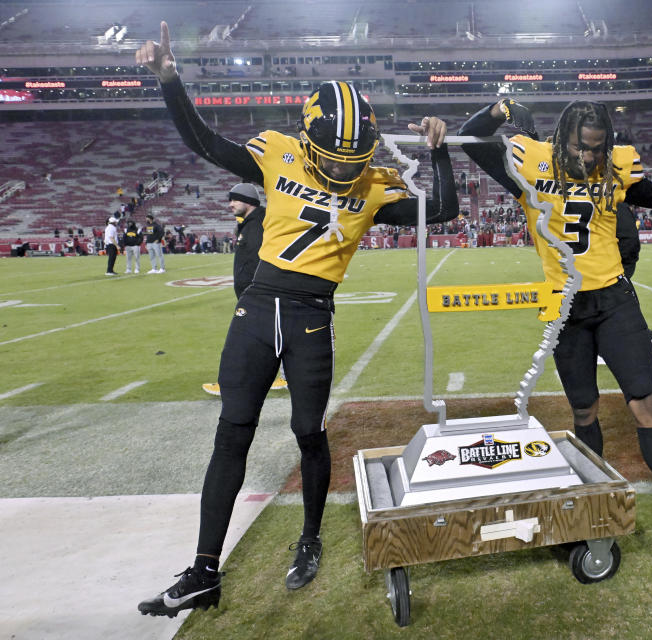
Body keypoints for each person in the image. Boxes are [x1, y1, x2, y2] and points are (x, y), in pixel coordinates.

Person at [135, 22, 458, 617]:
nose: (341, 171)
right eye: (333, 160)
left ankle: (308, 537)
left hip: (311, 314)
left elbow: (440, 208)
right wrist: (170, 82)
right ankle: (206, 570)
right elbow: (206, 143)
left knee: (308, 431)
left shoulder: (373, 183)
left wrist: (438, 154)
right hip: (257, 310)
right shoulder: (277, 153)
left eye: (351, 160)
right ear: (308, 139)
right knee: (232, 432)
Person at [459, 91, 652, 556]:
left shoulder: (615, 166)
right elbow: (472, 140)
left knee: (647, 406)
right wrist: (501, 108)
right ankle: (589, 516)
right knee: (584, 412)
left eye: (597, 148)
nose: (589, 157)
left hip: (614, 301)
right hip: (566, 307)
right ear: (561, 138)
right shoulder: (531, 160)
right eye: (581, 147)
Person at [201, 183, 287, 396]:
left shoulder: (257, 225)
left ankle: (229, 383)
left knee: (239, 341)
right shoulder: (250, 223)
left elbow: (262, 260)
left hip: (256, 295)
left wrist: (257, 290)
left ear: (248, 201)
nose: (230, 204)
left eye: (235, 200)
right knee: (269, 338)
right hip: (253, 294)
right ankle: (283, 377)